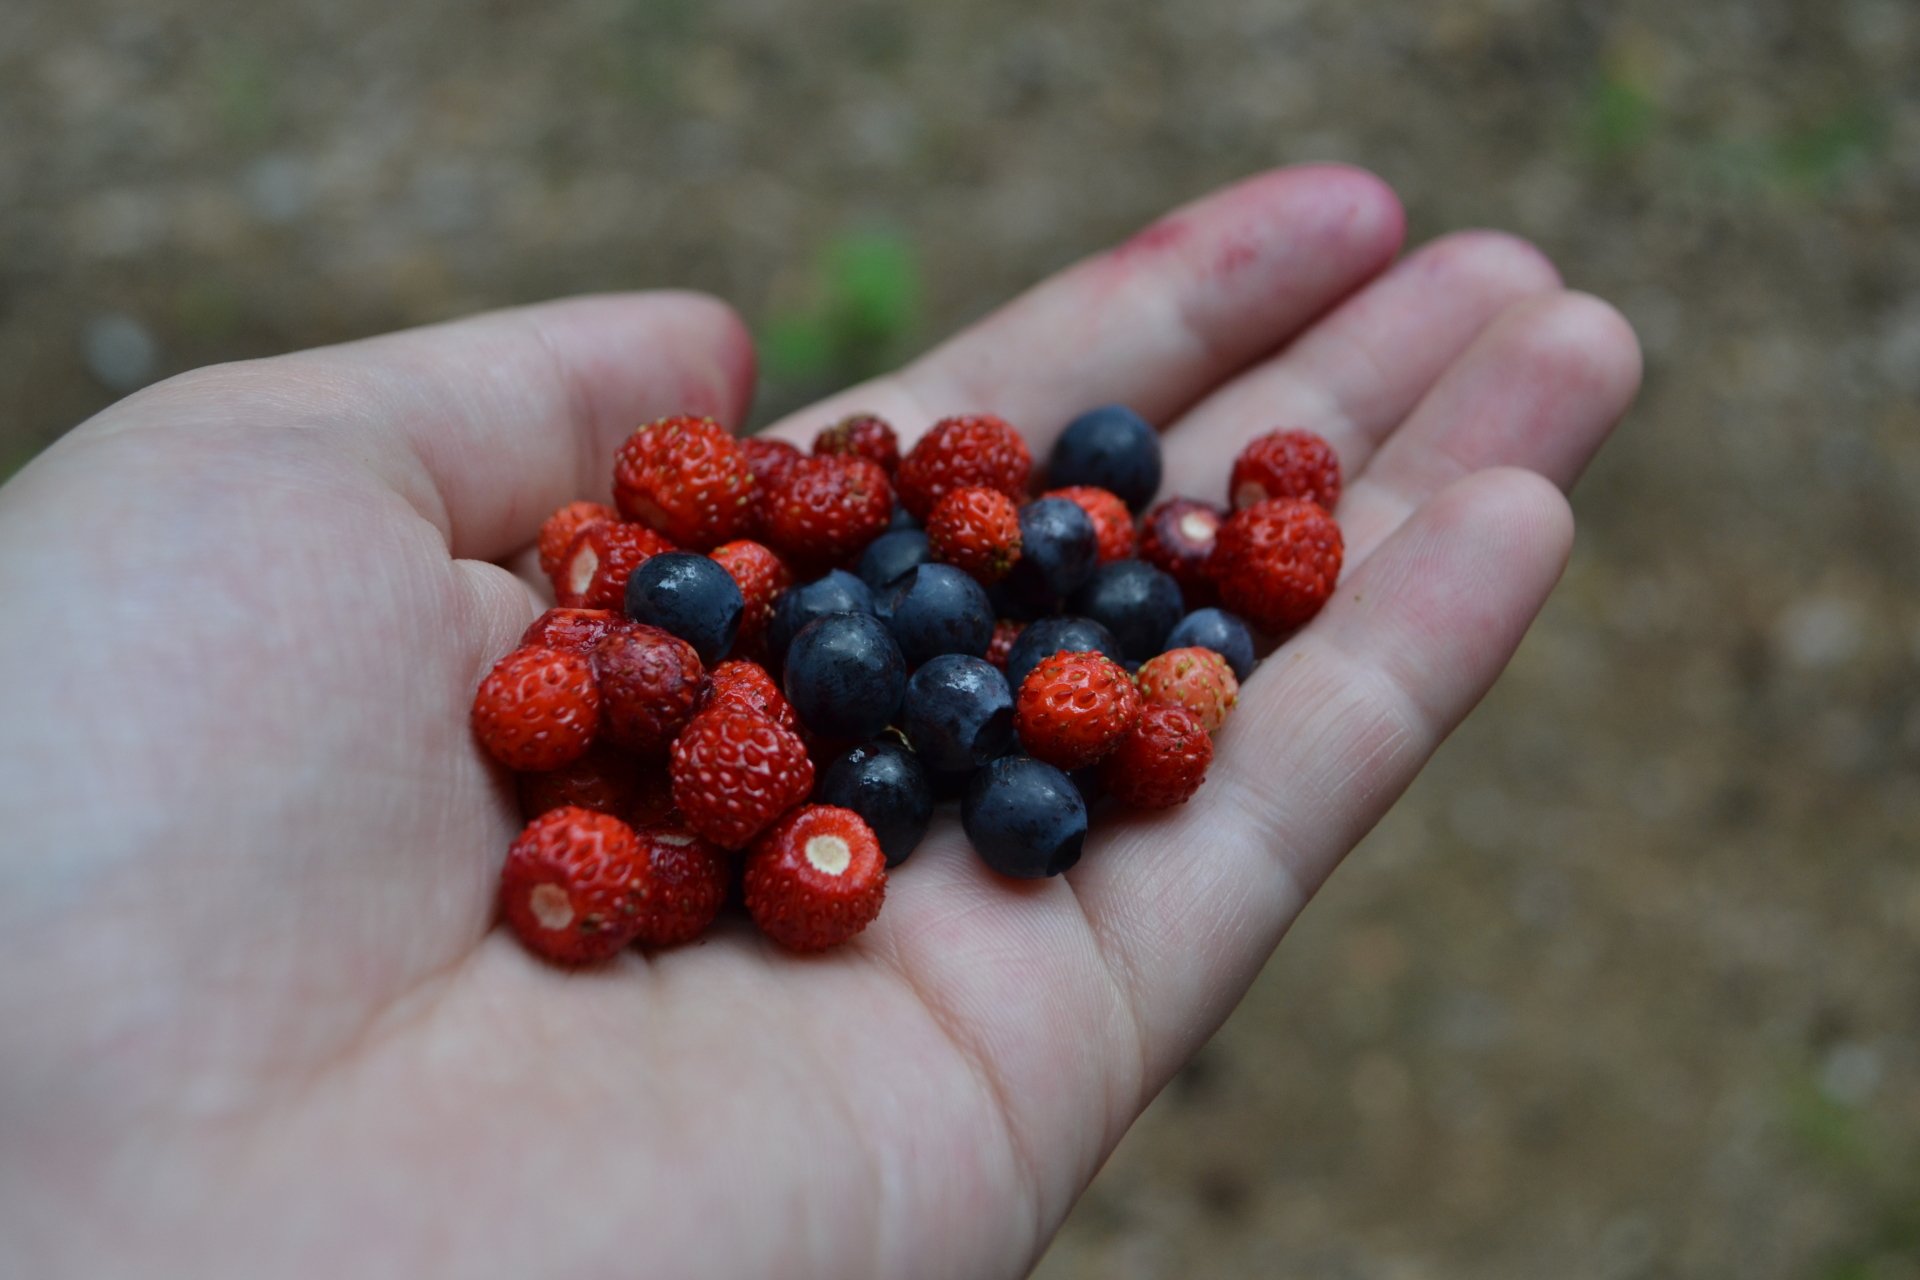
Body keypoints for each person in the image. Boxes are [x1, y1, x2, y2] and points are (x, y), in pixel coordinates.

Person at [0, 165, 1639, 1278]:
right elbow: (769, 690)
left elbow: (966, 661)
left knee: (970, 637)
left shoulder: (1017, 639)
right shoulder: (717, 673)